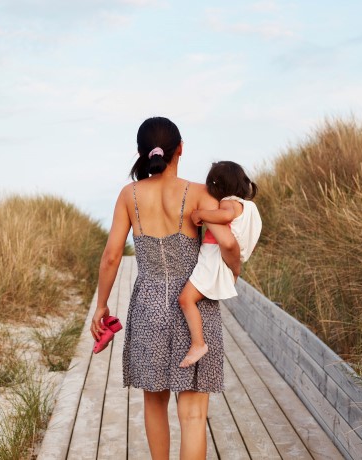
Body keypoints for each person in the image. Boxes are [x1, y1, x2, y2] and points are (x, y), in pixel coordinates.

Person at [91, 117, 242, 460]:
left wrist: (101, 305)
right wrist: (234, 271)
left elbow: (112, 255)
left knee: (154, 404)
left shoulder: (128, 195)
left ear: (142, 154)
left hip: (148, 306)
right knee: (192, 416)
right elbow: (229, 243)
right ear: (181, 149)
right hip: (194, 306)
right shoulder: (202, 194)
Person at [177, 161, 263, 368]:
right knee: (190, 299)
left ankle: (198, 343)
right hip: (226, 260)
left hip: (214, 257)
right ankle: (198, 343)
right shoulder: (248, 206)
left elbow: (225, 215)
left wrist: (199, 214)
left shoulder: (229, 203)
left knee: (185, 299)